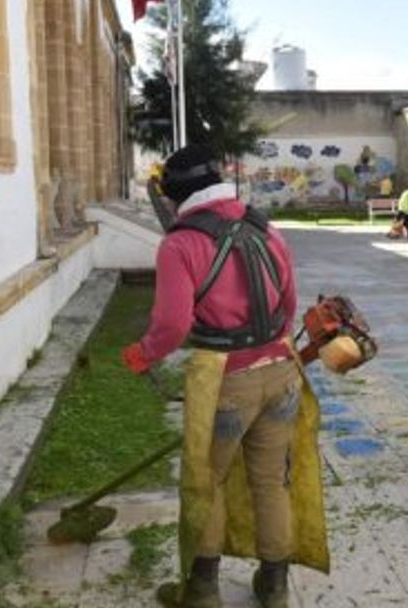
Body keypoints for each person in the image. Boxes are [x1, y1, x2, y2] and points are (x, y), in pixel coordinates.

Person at [122, 144, 327, 608]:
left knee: (206, 482)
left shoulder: (180, 243)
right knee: (271, 481)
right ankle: (274, 588)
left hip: (226, 384)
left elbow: (172, 327)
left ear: (176, 195)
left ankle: (201, 591)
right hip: (282, 373)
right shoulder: (266, 228)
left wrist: (141, 355)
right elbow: (288, 304)